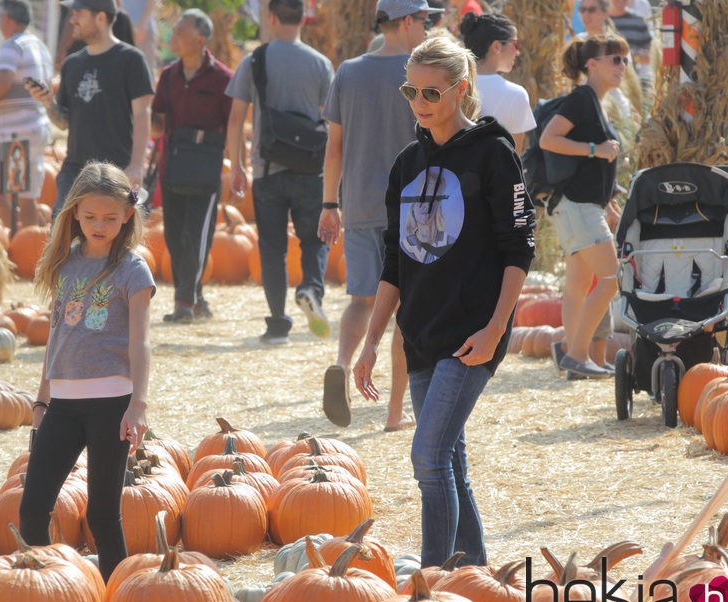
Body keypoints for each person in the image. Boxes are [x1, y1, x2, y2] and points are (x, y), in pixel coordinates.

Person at [353, 36, 535, 567]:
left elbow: (518, 248)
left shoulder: (494, 153)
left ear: (461, 88)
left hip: (473, 332)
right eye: (412, 90)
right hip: (421, 334)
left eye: (431, 91)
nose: (420, 101)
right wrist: (371, 343)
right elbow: (396, 262)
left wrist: (497, 328)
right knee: (450, 462)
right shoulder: (407, 163)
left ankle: (431, 583)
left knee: (428, 457)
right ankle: (473, 572)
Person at [20, 161, 155, 584]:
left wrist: (138, 404)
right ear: (74, 213)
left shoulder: (133, 270)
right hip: (62, 403)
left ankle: (119, 600)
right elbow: (56, 338)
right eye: (91, 216)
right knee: (32, 508)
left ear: (127, 216)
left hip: (111, 404)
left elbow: (141, 343)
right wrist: (42, 400)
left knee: (102, 516)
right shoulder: (64, 264)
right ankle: (46, 590)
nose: (100, 225)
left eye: (111, 218)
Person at [318, 0, 435, 430]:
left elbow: (333, 147)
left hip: (360, 203)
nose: (427, 27)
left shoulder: (347, 71)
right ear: (407, 22)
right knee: (405, 308)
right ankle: (393, 412)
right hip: (411, 205)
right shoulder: (423, 72)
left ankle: (342, 365)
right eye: (425, 20)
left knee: (361, 300)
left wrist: (330, 203)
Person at [225, 0, 335, 344]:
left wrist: (238, 166)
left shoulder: (255, 60)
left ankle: (277, 324)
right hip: (310, 169)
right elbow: (332, 122)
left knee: (272, 249)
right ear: (304, 17)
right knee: (314, 239)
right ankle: (311, 289)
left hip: (268, 169)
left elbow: (235, 118)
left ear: (271, 18)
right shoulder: (320, 64)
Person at [540, 34, 628, 379]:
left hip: (582, 206)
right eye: (615, 59)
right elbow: (550, 139)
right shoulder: (581, 99)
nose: (623, 66)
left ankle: (571, 356)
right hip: (577, 207)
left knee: (578, 285)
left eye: (624, 60)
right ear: (593, 64)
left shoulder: (593, 101)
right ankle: (576, 353)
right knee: (610, 279)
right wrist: (595, 149)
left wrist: (607, 200)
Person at [28, 0, 154, 218]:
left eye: (78, 13)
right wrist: (48, 103)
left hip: (117, 172)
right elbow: (64, 121)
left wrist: (136, 165)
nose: (72, 19)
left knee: (116, 246)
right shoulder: (72, 64)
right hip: (75, 172)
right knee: (63, 242)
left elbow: (143, 114)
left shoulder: (131, 60)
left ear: (101, 17)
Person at [152, 9, 233, 323]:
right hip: (170, 168)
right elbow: (158, 123)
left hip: (204, 173)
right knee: (174, 237)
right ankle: (196, 298)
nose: (173, 35)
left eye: (180, 31)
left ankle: (184, 303)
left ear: (199, 39)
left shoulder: (223, 79)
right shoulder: (168, 76)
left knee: (195, 236)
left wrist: (235, 163)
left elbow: (234, 125)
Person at [0, 0, 54, 229]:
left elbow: (3, 81)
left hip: (16, 130)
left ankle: (16, 238)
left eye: (0, 18)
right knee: (26, 196)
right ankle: (30, 242)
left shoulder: (11, 46)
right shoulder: (40, 46)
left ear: (7, 18)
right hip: (38, 126)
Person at [459, 11, 535, 154]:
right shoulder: (517, 94)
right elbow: (515, 156)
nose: (517, 52)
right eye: (515, 44)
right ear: (496, 46)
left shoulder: (451, 86)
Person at [608, 0, 652, 92]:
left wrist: (632, 56)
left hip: (634, 84)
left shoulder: (639, 21)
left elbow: (650, 57)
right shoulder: (602, 21)